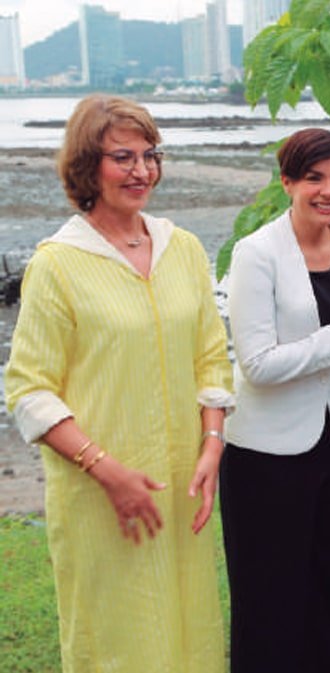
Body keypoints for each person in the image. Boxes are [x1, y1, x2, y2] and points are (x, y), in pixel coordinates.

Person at [4, 95, 233, 672]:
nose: (141, 171)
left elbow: (211, 355)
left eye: (150, 155)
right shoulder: (57, 263)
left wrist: (212, 444)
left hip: (180, 487)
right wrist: (108, 472)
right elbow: (29, 390)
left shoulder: (181, 248)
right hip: (100, 497)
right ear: (88, 166)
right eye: (122, 157)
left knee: (190, 630)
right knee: (117, 640)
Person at [220, 127, 330, 673]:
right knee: (274, 602)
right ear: (287, 182)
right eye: (315, 178)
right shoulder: (256, 253)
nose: (329, 190)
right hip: (266, 456)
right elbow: (258, 365)